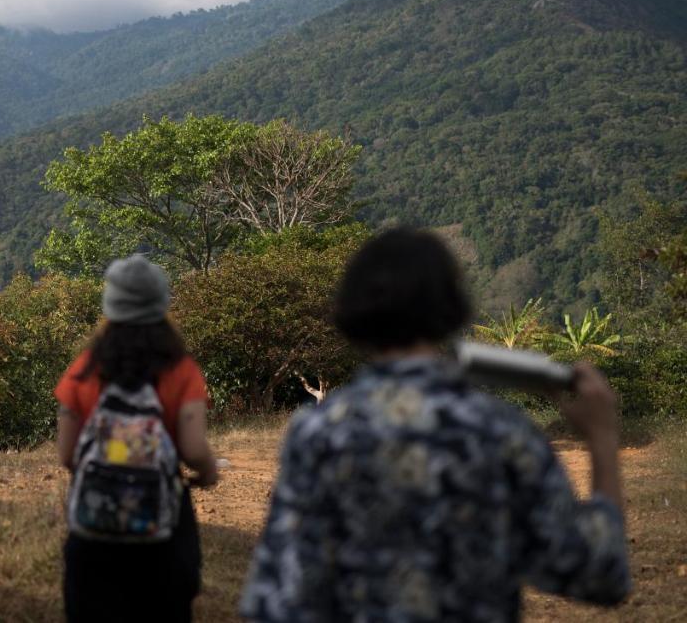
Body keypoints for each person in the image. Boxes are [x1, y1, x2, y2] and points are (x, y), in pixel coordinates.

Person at [238, 228, 631, 621]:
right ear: (450, 308)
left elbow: (276, 602)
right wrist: (602, 437)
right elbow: (600, 574)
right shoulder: (501, 431)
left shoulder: (318, 433)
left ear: (353, 310)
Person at [55, 254, 219, 622]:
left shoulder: (84, 369)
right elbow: (193, 449)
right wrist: (208, 473)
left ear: (110, 305)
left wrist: (111, 464)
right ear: (161, 303)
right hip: (162, 530)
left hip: (94, 530)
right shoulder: (181, 369)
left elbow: (66, 455)